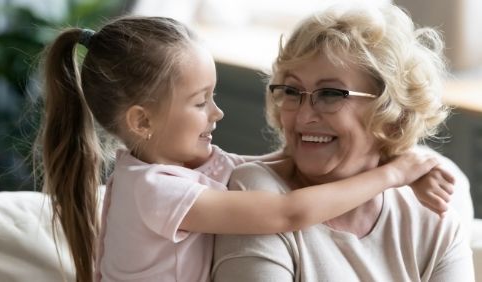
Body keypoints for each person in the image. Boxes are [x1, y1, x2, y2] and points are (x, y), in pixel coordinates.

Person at [35, 15, 453, 282]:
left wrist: (395, 158)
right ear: (142, 121)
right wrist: (394, 173)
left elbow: (279, 161)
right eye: (201, 102)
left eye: (213, 97)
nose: (217, 114)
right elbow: (288, 212)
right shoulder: (156, 192)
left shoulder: (179, 171)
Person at [212, 2, 475, 281]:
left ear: (391, 112)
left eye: (330, 94)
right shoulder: (257, 192)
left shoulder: (429, 209)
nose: (303, 116)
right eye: (292, 91)